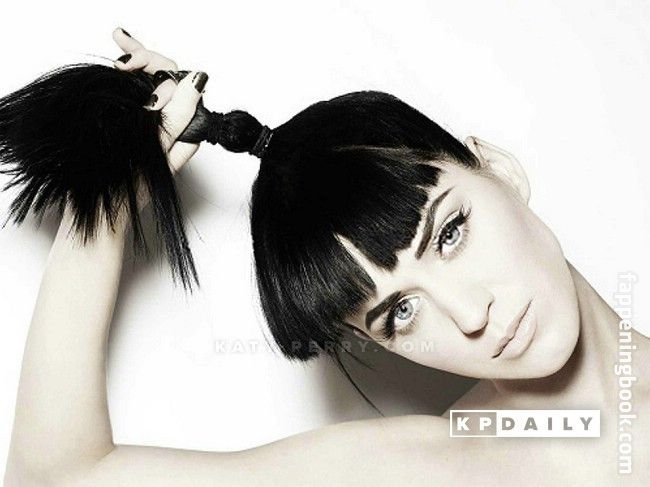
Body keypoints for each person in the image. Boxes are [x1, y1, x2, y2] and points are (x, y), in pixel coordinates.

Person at [3, 28, 648, 487]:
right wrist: (107, 202)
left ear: (499, 170)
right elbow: (56, 478)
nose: (470, 314)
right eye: (398, 313)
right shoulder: (434, 467)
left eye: (449, 233)